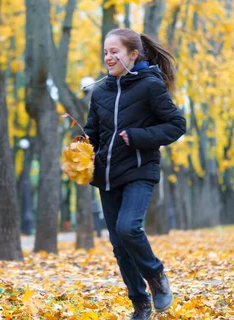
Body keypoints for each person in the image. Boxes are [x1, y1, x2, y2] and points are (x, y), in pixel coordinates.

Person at [83, 28, 186, 320]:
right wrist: (81, 148)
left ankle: (156, 276)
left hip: (140, 170)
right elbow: (92, 132)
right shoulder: (100, 91)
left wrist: (140, 136)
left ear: (133, 54)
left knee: (129, 228)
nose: (108, 57)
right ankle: (140, 304)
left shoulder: (150, 86)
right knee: (119, 244)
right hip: (107, 175)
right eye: (105, 52)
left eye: (114, 51)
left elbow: (177, 125)